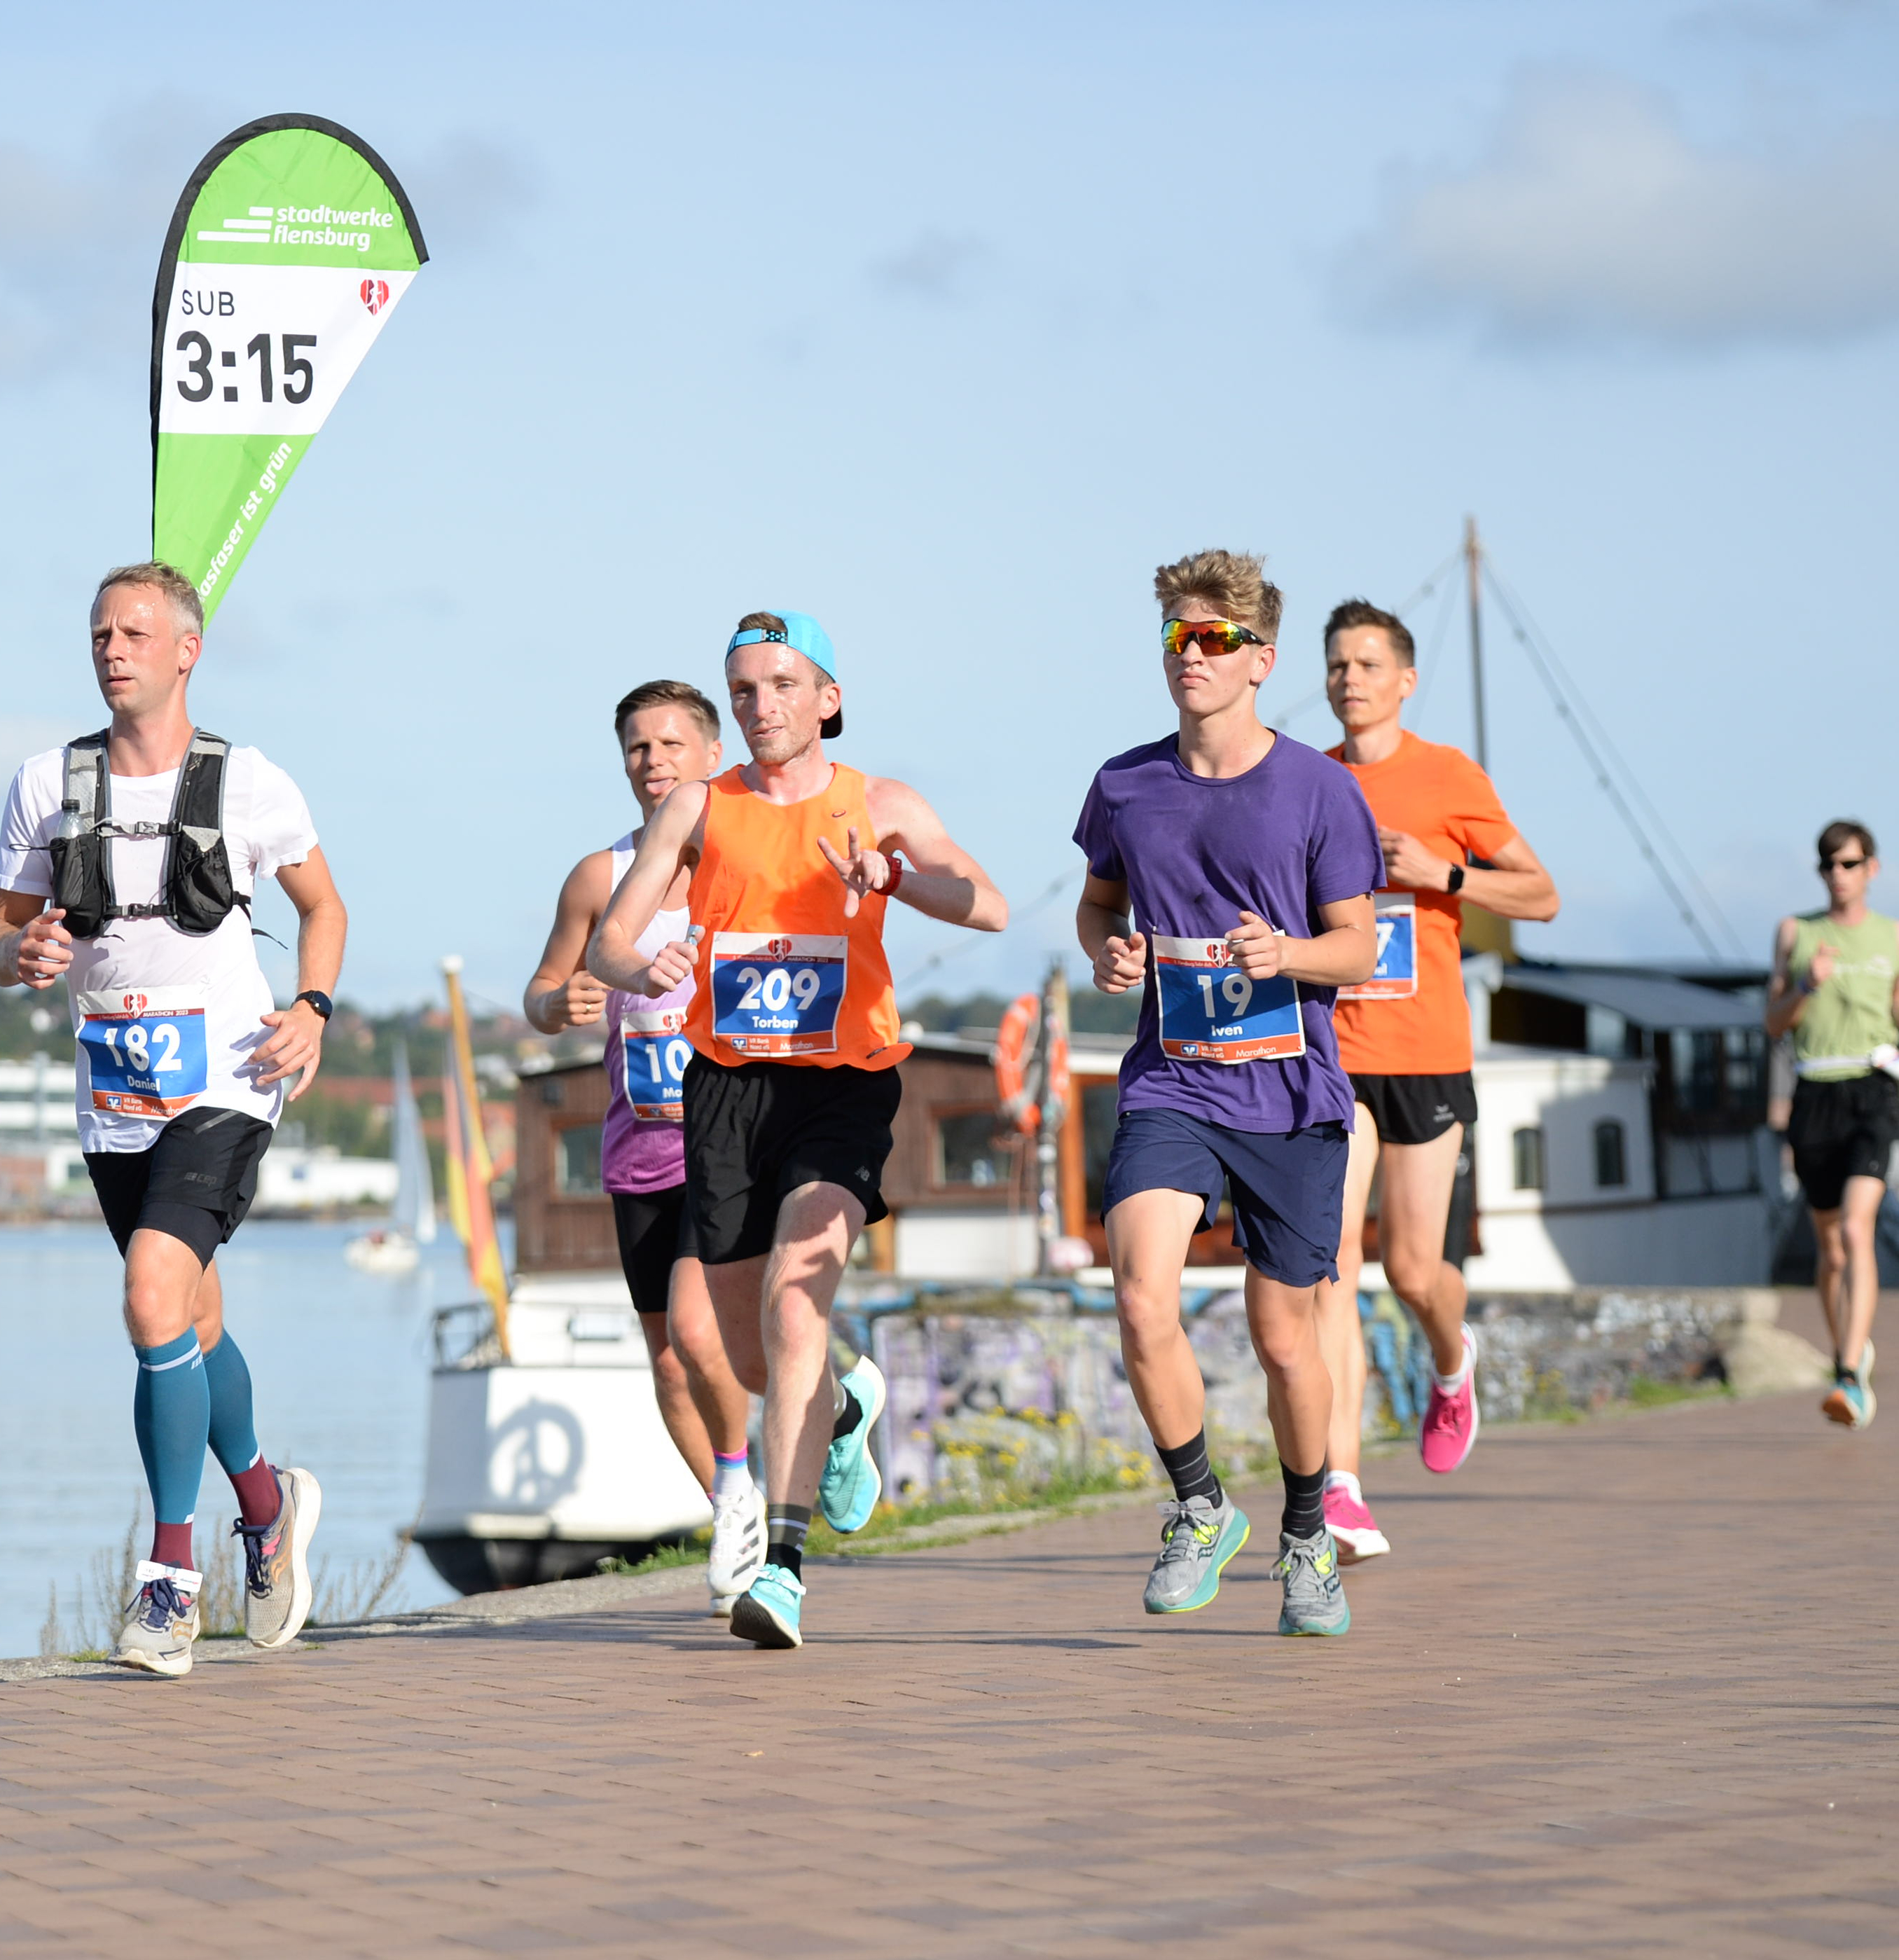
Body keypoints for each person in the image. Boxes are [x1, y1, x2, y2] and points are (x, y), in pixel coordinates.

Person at [588, 610, 1009, 1650]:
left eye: (781, 684)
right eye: (742, 689)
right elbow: (608, 940)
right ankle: (849, 1402)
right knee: (751, 1356)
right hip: (726, 1091)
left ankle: (781, 1568)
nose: (760, 705)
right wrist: (641, 962)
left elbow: (989, 904)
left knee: (793, 1303)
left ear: (827, 697)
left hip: (842, 1087)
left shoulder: (880, 803)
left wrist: (895, 878)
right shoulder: (700, 804)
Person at [0, 560, 343, 1675]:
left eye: (135, 632)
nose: (112, 649)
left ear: (188, 651)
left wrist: (313, 1009)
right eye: (100, 632)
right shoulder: (47, 783)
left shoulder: (248, 782)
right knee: (187, 1319)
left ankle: (171, 1583)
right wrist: (22, 952)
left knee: (148, 1293)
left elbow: (323, 906)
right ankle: (269, 1507)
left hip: (228, 1077)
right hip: (116, 1091)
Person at [1077, 552, 1381, 1637]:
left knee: (1285, 1338)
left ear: (1262, 660)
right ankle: (1201, 1508)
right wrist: (1111, 952)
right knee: (1139, 1294)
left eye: (1214, 639)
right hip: (1172, 1082)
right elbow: (1098, 906)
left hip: (1290, 1095)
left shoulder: (1318, 789)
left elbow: (1358, 947)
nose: (1191, 655)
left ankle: (1307, 1536)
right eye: (1177, 636)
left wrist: (1285, 954)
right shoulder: (1125, 784)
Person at [1311, 601, 1559, 1557]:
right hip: (1335, 1056)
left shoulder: (1448, 776)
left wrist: (1440, 875)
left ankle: (1453, 1360)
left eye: (1368, 664)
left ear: (1405, 681)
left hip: (1427, 1055)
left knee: (1414, 1272)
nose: (1350, 679)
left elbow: (1540, 894)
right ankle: (1341, 1489)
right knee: (1331, 1267)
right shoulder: (1308, 780)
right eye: (1338, 664)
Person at [523, 679, 763, 1613]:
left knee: (702, 1332)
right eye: (637, 747)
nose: (653, 760)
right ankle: (733, 1511)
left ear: (713, 755)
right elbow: (542, 992)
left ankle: (743, 1481)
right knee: (669, 1362)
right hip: (639, 1151)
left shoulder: (751, 859)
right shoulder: (600, 876)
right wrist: (562, 1003)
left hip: (733, 1145)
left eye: (670, 744)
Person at [1765, 819, 1899, 1425]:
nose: (1837, 876)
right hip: (1815, 1091)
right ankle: (1850, 1346)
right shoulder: (1796, 932)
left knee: (1858, 1230)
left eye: (1849, 864)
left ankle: (1846, 1378)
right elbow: (1773, 1022)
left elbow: (1898, 1005)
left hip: (1874, 1089)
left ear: (1872, 869)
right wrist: (1805, 986)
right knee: (1832, 1251)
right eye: (1828, 865)